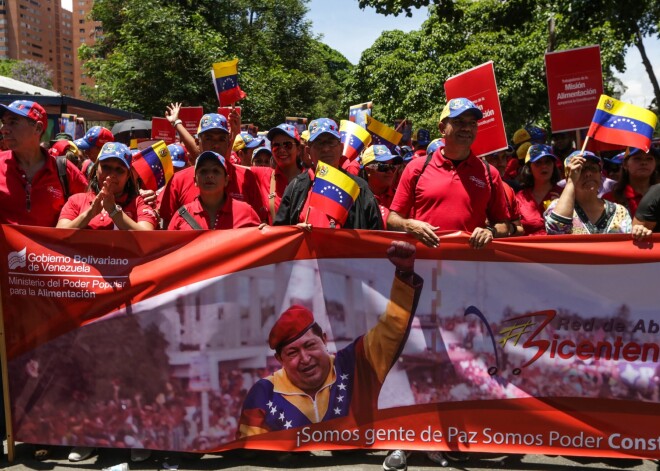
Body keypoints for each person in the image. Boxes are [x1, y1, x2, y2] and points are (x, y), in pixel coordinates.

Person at [237, 240, 422, 437]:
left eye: (310, 345)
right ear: (279, 360)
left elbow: (392, 327)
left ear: (324, 340)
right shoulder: (264, 394)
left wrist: (404, 274)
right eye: (293, 352)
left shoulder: (356, 364)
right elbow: (251, 452)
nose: (305, 358)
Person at [387, 97, 511, 249]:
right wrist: (409, 225)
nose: (466, 128)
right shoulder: (416, 168)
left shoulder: (490, 173)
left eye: (472, 123)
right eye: (459, 122)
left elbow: (504, 225)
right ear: (442, 128)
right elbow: (392, 219)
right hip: (425, 265)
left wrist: (490, 231)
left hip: (470, 265)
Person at [159, 103, 266, 226]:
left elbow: (260, 224)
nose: (215, 145)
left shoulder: (247, 178)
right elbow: (168, 228)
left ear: (228, 142)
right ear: (198, 142)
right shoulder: (178, 181)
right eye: (209, 138)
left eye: (221, 139)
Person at [274, 118, 382, 229]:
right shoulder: (295, 187)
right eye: (319, 143)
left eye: (331, 142)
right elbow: (280, 235)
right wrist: (295, 232)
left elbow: (376, 236)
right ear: (308, 151)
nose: (325, 149)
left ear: (341, 149)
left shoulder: (359, 188)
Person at [0, 100, 88, 227]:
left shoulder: (65, 171)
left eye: (13, 122)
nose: (4, 129)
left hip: (52, 247)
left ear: (38, 128)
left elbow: (90, 207)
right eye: (4, 123)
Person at [57, 142, 158, 231]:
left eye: (119, 170)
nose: (112, 174)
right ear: (96, 169)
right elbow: (57, 235)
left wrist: (113, 211)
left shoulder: (140, 203)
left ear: (128, 176)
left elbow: (147, 237)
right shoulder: (76, 201)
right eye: (106, 167)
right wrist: (89, 214)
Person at [168, 151, 260, 230]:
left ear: (226, 180)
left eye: (216, 171)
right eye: (203, 171)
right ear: (195, 181)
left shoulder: (246, 213)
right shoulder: (180, 217)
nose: (209, 176)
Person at [545, 151, 631, 235]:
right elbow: (556, 229)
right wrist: (571, 182)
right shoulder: (557, 206)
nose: (588, 173)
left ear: (600, 175)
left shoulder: (620, 211)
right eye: (581, 170)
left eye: (593, 168)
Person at [251, 124, 304, 223]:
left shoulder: (311, 179)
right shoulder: (264, 175)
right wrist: (233, 134)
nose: (282, 150)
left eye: (287, 145)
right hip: (278, 238)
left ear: (299, 149)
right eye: (276, 146)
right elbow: (228, 168)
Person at [515, 144, 562, 236]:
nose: (544, 166)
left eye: (548, 162)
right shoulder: (519, 198)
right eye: (538, 163)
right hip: (529, 249)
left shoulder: (564, 194)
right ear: (529, 168)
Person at [603, 147, 658, 218]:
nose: (644, 163)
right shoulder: (609, 199)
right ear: (625, 164)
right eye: (637, 158)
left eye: (649, 159)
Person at [358, 145, 402, 228]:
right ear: (368, 170)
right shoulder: (357, 199)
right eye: (383, 167)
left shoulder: (399, 197)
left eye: (392, 167)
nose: (390, 172)